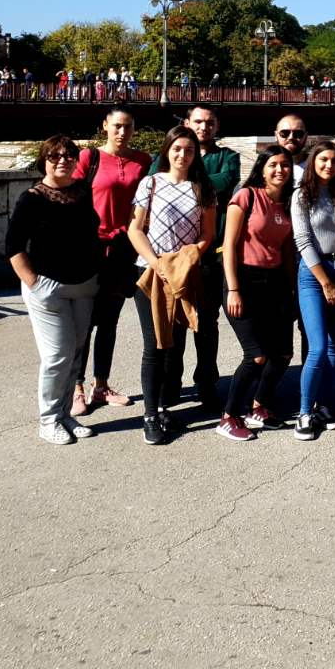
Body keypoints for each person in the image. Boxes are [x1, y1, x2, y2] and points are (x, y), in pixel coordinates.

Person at [7, 136, 103, 445]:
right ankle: (48, 420)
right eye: (55, 156)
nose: (63, 160)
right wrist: (35, 284)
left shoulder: (82, 192)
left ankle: (64, 415)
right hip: (49, 288)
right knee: (57, 356)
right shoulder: (32, 198)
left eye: (69, 155)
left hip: (84, 285)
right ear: (44, 161)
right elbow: (13, 246)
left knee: (75, 354)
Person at [127, 126, 217, 444]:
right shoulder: (150, 183)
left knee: (175, 345)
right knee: (155, 344)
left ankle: (164, 406)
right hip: (152, 274)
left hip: (185, 274)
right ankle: (150, 415)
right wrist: (157, 263)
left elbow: (207, 234)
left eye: (189, 150)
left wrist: (189, 258)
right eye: (177, 148)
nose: (183, 155)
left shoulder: (203, 188)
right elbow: (135, 229)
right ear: (167, 150)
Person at [69, 108, 151, 417]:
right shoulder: (89, 158)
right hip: (92, 249)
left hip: (124, 250)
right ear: (105, 126)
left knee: (108, 321)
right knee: (84, 322)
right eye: (117, 126)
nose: (122, 132)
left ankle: (101, 385)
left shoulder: (143, 161)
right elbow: (71, 198)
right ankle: (76, 386)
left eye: (128, 126)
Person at [162, 106, 241, 415]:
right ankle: (171, 384)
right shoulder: (172, 151)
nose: (204, 127)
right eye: (198, 122)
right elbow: (156, 179)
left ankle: (207, 383)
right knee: (175, 323)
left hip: (211, 254)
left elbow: (223, 183)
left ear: (217, 126)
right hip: (175, 256)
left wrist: (183, 178)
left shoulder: (228, 157)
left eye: (209, 122)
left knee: (207, 324)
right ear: (187, 123)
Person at [219, 147, 298, 442]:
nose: (280, 170)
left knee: (283, 353)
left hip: (275, 282)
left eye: (285, 165)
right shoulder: (247, 196)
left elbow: (287, 251)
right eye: (273, 164)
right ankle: (229, 417)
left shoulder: (287, 203)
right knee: (256, 355)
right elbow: (229, 246)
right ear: (262, 169)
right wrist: (233, 289)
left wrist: (292, 289)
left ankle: (259, 406)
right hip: (244, 280)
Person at [291, 139, 335, 439]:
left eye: (334, 161)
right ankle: (304, 412)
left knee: (333, 347)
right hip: (314, 273)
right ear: (313, 163)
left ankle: (324, 405)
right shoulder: (302, 195)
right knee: (317, 347)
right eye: (323, 160)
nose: (329, 165)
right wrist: (325, 282)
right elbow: (303, 240)